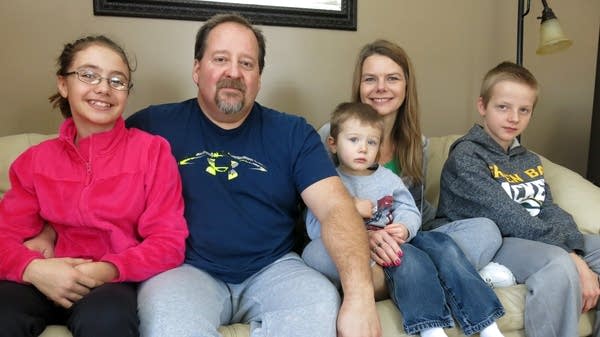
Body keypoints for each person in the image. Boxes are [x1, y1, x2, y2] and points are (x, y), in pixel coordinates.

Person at [125, 13, 381, 337]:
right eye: (220, 59)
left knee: (320, 305)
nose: (233, 72)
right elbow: (86, 169)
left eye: (247, 64)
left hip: (275, 267)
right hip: (185, 269)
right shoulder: (151, 126)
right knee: (167, 323)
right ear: (196, 68)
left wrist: (360, 298)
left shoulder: (293, 133)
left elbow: (335, 208)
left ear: (259, 76)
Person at [0, 35, 188, 337]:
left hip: (108, 283)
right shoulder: (34, 161)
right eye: (88, 75)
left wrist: (106, 270)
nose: (103, 88)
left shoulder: (152, 152)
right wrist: (32, 269)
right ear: (64, 84)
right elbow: (4, 235)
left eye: (117, 80)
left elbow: (168, 242)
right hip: (43, 274)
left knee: (107, 321)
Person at [303, 101, 505, 337]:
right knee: (405, 258)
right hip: (352, 254)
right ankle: (431, 318)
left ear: (379, 149)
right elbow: (314, 226)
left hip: (396, 246)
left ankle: (484, 323)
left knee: (433, 248)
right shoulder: (329, 181)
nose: (362, 149)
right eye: (353, 140)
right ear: (333, 144)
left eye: (371, 142)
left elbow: (408, 209)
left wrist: (405, 228)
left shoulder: (388, 179)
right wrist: (350, 210)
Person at [431, 61, 600, 337]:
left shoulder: (528, 159)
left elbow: (547, 208)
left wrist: (576, 247)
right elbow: (508, 216)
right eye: (503, 107)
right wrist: (572, 257)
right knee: (559, 264)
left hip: (531, 236)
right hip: (494, 240)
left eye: (524, 110)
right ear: (482, 106)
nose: (513, 118)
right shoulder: (466, 156)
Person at [317, 39, 504, 271]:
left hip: (403, 241)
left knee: (485, 230)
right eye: (370, 79)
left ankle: (422, 270)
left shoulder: (417, 145)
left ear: (406, 87)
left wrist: (413, 227)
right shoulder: (330, 136)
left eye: (392, 78)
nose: (381, 87)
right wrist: (364, 235)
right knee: (322, 255)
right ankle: (438, 272)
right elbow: (318, 210)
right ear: (359, 87)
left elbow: (413, 208)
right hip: (354, 241)